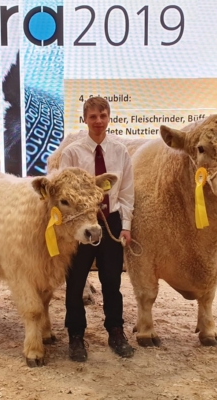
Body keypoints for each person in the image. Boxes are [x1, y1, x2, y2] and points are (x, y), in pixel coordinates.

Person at [60, 96, 135, 362]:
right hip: (82, 223)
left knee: (112, 282)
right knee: (75, 281)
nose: (98, 121)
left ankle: (116, 331)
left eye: (103, 115)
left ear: (108, 117)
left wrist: (125, 226)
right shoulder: (72, 153)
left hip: (110, 221)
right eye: (93, 117)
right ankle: (76, 336)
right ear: (85, 119)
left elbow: (126, 192)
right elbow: (63, 192)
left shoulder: (120, 151)